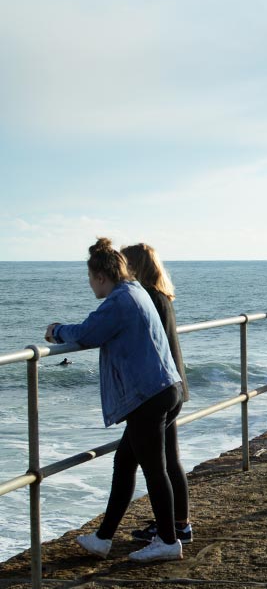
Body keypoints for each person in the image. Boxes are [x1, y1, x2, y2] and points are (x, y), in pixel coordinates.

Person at [45, 238, 184, 562]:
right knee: (124, 463)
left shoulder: (120, 300)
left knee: (154, 469)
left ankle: (167, 540)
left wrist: (56, 330)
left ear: (101, 276)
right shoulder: (135, 290)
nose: (90, 285)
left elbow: (88, 333)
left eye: (90, 279)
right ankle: (103, 538)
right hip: (161, 388)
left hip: (148, 394)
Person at [119, 243, 192, 546]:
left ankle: (169, 532)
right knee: (169, 459)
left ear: (133, 266)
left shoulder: (145, 297)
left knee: (150, 464)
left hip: (155, 389)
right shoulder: (162, 296)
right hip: (173, 384)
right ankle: (179, 525)